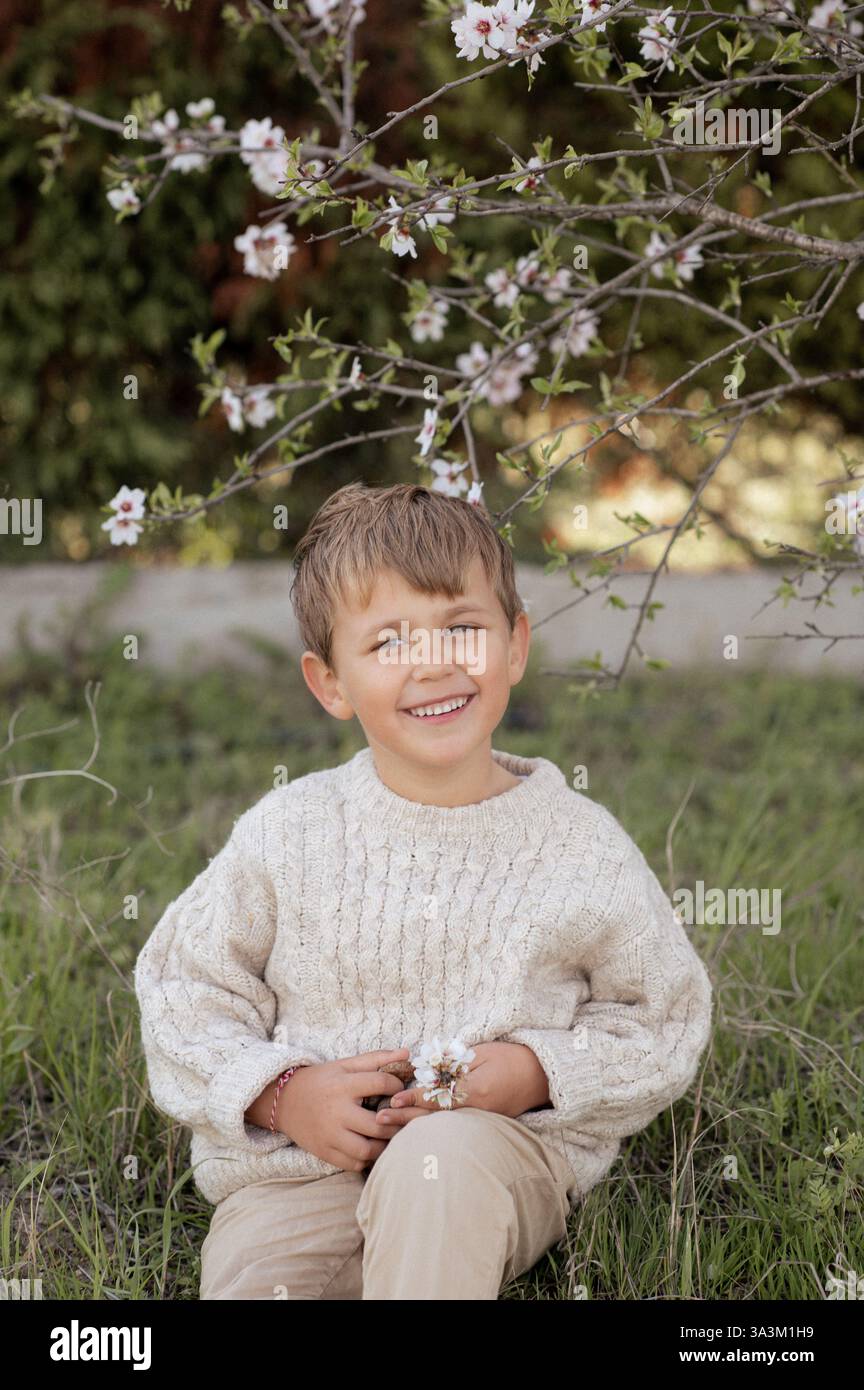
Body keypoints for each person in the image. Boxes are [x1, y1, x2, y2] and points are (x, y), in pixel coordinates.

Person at [133, 480, 713, 1300]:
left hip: (490, 1155)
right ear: (330, 682)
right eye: (388, 642)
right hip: (301, 1174)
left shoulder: (579, 847)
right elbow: (185, 988)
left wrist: (532, 1072)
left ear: (514, 644)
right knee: (262, 1285)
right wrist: (283, 1096)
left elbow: (664, 1015)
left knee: (438, 1171)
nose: (433, 662)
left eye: (462, 629)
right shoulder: (287, 832)